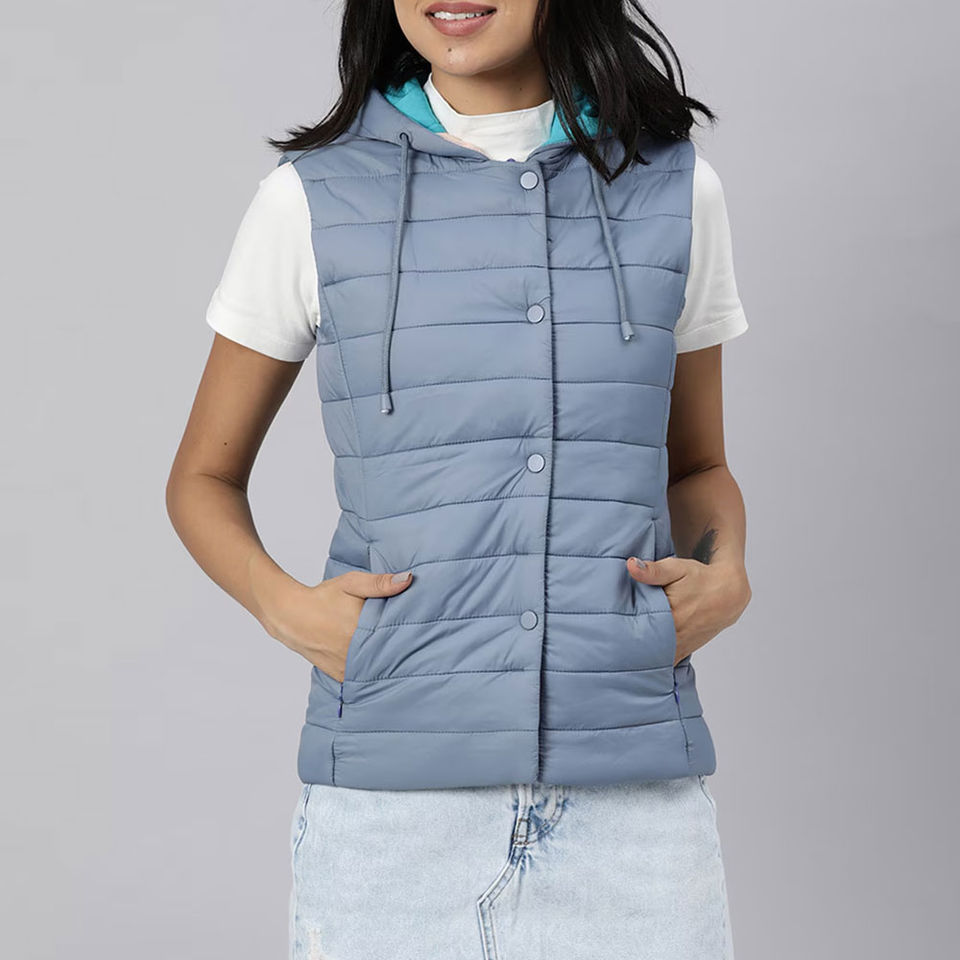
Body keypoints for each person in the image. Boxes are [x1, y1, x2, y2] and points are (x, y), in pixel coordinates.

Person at [166, 1, 752, 957]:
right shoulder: (311, 197)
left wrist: (724, 571)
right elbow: (201, 476)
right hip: (390, 822)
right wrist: (285, 608)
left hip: (633, 815)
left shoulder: (676, 188)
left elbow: (698, 467)